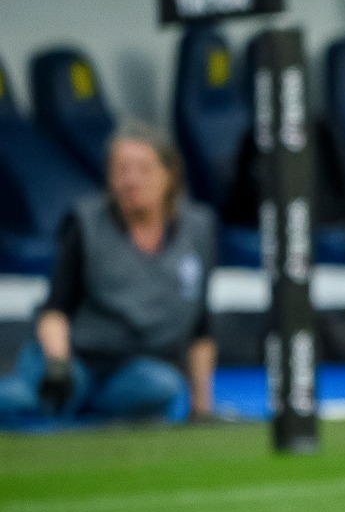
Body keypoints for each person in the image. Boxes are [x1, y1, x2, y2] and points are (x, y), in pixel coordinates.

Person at [0, 125, 216, 424]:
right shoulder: (85, 224)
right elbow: (55, 310)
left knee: (161, 387)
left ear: (170, 174)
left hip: (134, 370)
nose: (132, 180)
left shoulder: (199, 231)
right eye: (122, 170)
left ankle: (89, 413)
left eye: (143, 169)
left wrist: (202, 408)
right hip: (75, 358)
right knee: (26, 401)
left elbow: (200, 329)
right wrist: (58, 366)